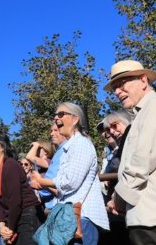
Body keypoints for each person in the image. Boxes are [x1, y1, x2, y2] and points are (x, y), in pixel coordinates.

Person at [104, 59, 156, 244]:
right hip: (150, 216)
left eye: (122, 84)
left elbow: (140, 164)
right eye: (115, 88)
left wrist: (118, 198)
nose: (117, 92)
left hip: (154, 217)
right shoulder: (147, 112)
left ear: (143, 80)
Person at [30, 103, 110, 245]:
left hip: (81, 218)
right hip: (70, 218)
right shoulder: (71, 146)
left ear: (75, 119)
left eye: (61, 114)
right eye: (55, 115)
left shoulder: (81, 144)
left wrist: (42, 182)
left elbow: (70, 182)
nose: (56, 118)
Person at [0, 130, 41, 244]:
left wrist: (10, 229)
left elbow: (15, 201)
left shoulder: (11, 165)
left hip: (27, 216)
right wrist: (2, 226)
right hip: (14, 219)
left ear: (2, 146)